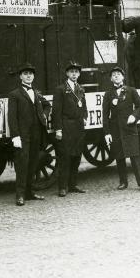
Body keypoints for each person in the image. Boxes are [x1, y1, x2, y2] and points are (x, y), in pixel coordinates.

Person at [8, 63, 51, 206]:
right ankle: (20, 195)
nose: (28, 76)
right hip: (22, 135)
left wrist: (44, 116)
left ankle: (29, 192)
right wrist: (15, 136)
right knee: (22, 164)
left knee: (33, 163)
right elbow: (12, 117)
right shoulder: (15, 94)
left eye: (31, 74)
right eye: (25, 73)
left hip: (36, 134)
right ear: (20, 76)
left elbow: (47, 105)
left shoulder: (36, 93)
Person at [102, 66, 140, 192]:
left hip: (129, 129)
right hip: (115, 130)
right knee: (119, 156)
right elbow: (105, 115)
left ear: (123, 77)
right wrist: (107, 133)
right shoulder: (108, 94)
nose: (116, 76)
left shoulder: (131, 91)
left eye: (118, 74)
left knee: (134, 156)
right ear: (111, 79)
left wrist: (134, 116)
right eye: (114, 75)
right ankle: (123, 182)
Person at [52, 61, 88, 197]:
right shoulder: (60, 89)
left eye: (76, 72)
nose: (74, 74)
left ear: (79, 74)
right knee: (65, 158)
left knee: (76, 157)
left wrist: (84, 116)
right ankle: (62, 187)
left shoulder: (80, 88)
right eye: (71, 72)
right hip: (66, 126)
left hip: (78, 127)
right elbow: (56, 111)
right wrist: (58, 129)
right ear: (67, 73)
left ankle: (73, 185)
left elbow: (84, 106)